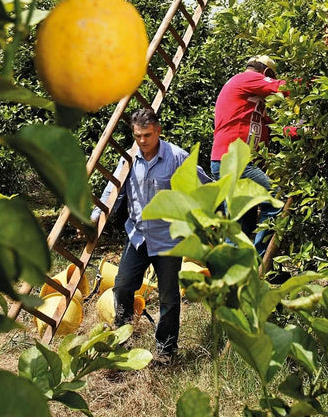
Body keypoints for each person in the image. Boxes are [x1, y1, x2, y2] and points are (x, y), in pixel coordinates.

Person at [91, 107, 211, 363]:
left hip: (168, 239)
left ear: (158, 131)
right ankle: (123, 339)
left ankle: (166, 351)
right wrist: (94, 216)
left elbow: (205, 186)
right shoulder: (129, 158)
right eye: (137, 136)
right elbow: (112, 190)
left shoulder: (177, 158)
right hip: (137, 235)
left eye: (147, 135)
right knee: (122, 286)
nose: (142, 141)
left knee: (168, 297)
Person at [210, 55, 286, 257]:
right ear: (266, 73)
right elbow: (283, 87)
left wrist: (299, 131)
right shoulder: (246, 78)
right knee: (275, 198)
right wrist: (313, 84)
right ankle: (261, 261)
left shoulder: (254, 104)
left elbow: (273, 128)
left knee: (240, 225)